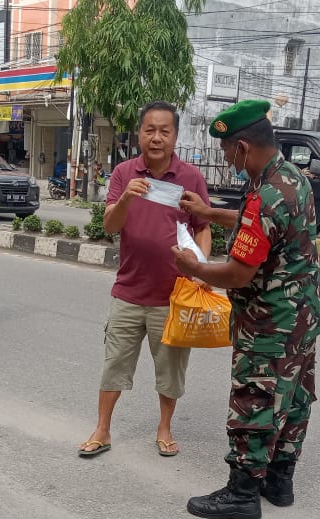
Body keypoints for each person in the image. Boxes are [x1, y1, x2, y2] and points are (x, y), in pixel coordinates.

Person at [173, 99, 320, 519]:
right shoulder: (292, 178)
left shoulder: (264, 196)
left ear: (242, 147)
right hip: (301, 319)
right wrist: (207, 213)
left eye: (226, 151)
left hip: (267, 325)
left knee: (255, 401)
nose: (226, 160)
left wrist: (194, 268)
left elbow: (239, 274)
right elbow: (254, 224)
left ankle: (242, 493)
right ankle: (279, 482)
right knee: (292, 400)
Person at [78, 101, 212, 459]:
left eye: (164, 131)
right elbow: (110, 225)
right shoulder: (124, 173)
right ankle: (102, 430)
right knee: (114, 365)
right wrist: (125, 197)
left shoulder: (190, 177)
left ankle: (164, 428)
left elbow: (203, 228)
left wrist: (201, 267)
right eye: (149, 130)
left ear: (175, 136)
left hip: (173, 296)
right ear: (139, 134)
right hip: (128, 292)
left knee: (170, 369)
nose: (156, 137)